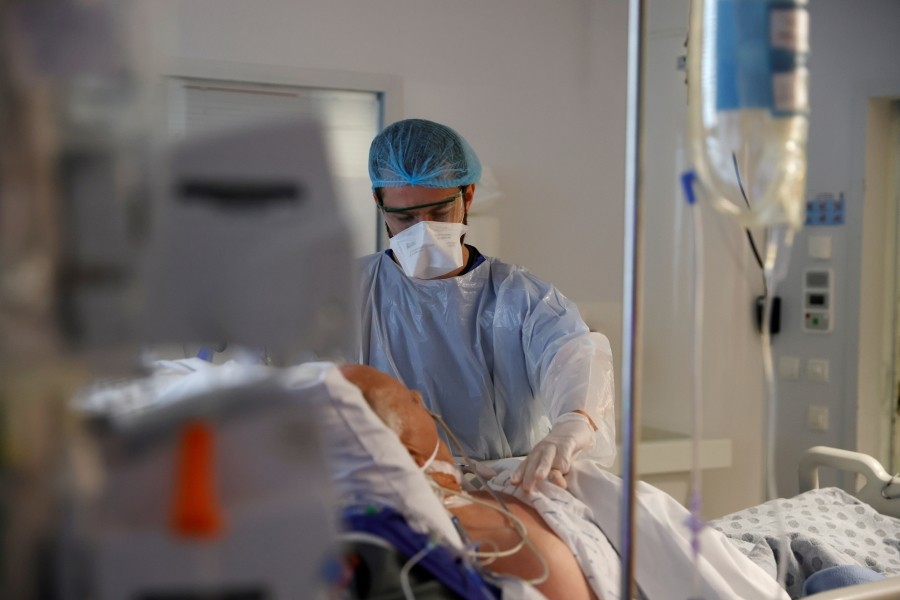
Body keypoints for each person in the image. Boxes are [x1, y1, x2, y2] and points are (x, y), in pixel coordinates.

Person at [357, 118, 616, 492]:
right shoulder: (348, 294)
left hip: (510, 490)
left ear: (468, 196)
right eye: (405, 218)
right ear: (379, 206)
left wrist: (574, 423)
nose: (423, 230)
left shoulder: (523, 299)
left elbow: (576, 358)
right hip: (388, 493)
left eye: (438, 213)